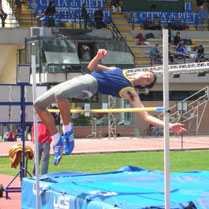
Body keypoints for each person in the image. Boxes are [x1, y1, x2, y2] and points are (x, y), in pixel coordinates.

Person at [34, 49, 187, 166]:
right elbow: (92, 67)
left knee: (61, 94)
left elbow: (145, 116)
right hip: (82, 79)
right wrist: (98, 56)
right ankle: (56, 140)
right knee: (38, 104)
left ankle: (68, 131)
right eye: (148, 74)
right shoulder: (117, 70)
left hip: (90, 85)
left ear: (144, 85)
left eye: (149, 80)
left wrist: (170, 125)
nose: (147, 77)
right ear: (142, 70)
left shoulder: (130, 92)